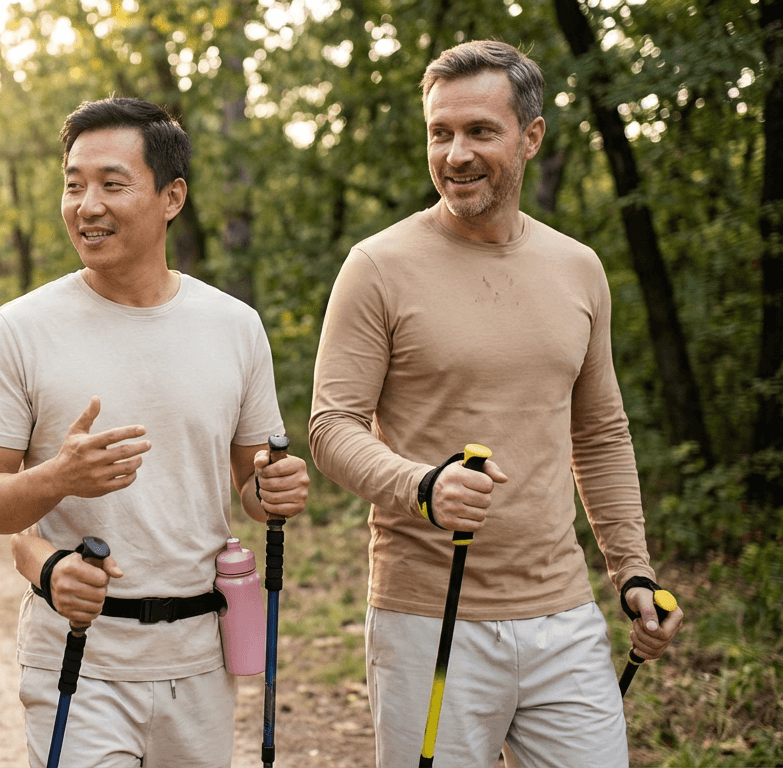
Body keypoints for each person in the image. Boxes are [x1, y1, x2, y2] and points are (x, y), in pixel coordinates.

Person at [308, 40, 685, 768]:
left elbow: (600, 432)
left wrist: (633, 573)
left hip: (564, 613)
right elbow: (332, 428)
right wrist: (421, 485)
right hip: (427, 617)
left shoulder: (578, 268)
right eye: (440, 133)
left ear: (531, 136)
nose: (455, 154)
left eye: (480, 131)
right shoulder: (377, 266)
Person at [0, 97, 310, 767]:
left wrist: (275, 487)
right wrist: (59, 478)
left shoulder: (235, 326)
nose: (86, 205)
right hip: (78, 652)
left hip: (202, 660)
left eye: (111, 184)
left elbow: (254, 487)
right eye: (73, 184)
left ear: (171, 196)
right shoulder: (21, 329)